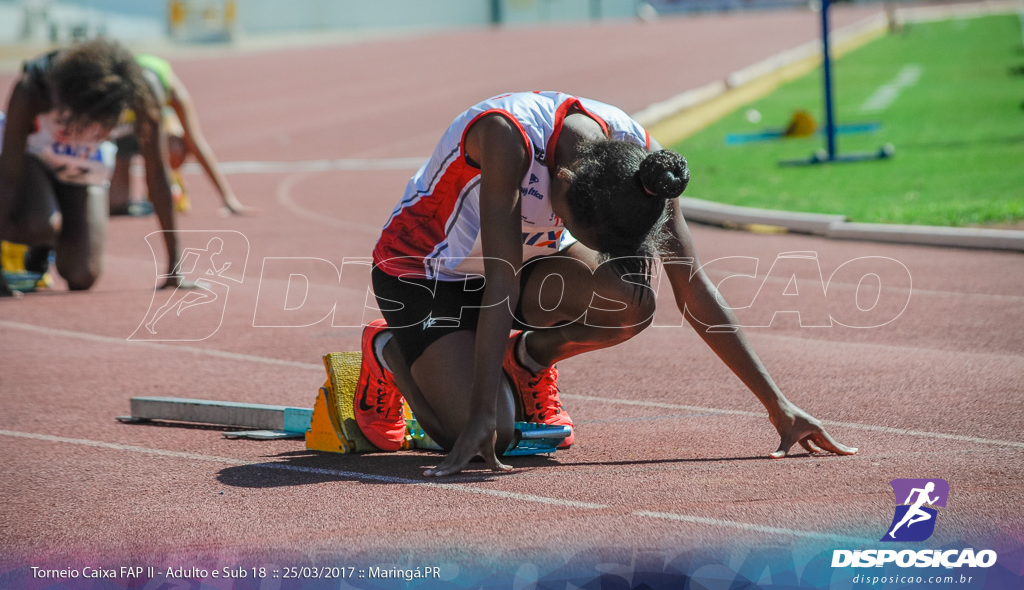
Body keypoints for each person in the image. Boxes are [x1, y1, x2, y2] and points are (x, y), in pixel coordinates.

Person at [355, 91, 857, 477]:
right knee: (488, 433)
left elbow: (694, 288)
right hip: (425, 277)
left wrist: (779, 406)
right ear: (565, 181)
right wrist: (481, 412)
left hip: (521, 269)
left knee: (631, 300)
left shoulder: (643, 163)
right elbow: (500, 282)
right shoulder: (506, 137)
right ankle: (391, 352)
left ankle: (527, 357)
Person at [0, 38, 184, 297]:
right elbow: (8, 175)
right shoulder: (35, 88)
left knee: (83, 274)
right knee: (39, 223)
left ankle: (46, 244)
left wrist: (176, 266)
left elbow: (157, 172)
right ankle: (38, 235)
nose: (103, 130)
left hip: (82, 167)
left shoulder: (142, 91)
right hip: (34, 159)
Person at [108, 54, 253, 217]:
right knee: (115, 204)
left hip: (153, 128)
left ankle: (169, 184)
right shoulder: (112, 93)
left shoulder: (171, 89)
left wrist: (228, 197)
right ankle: (139, 188)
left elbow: (195, 140)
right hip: (122, 130)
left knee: (174, 150)